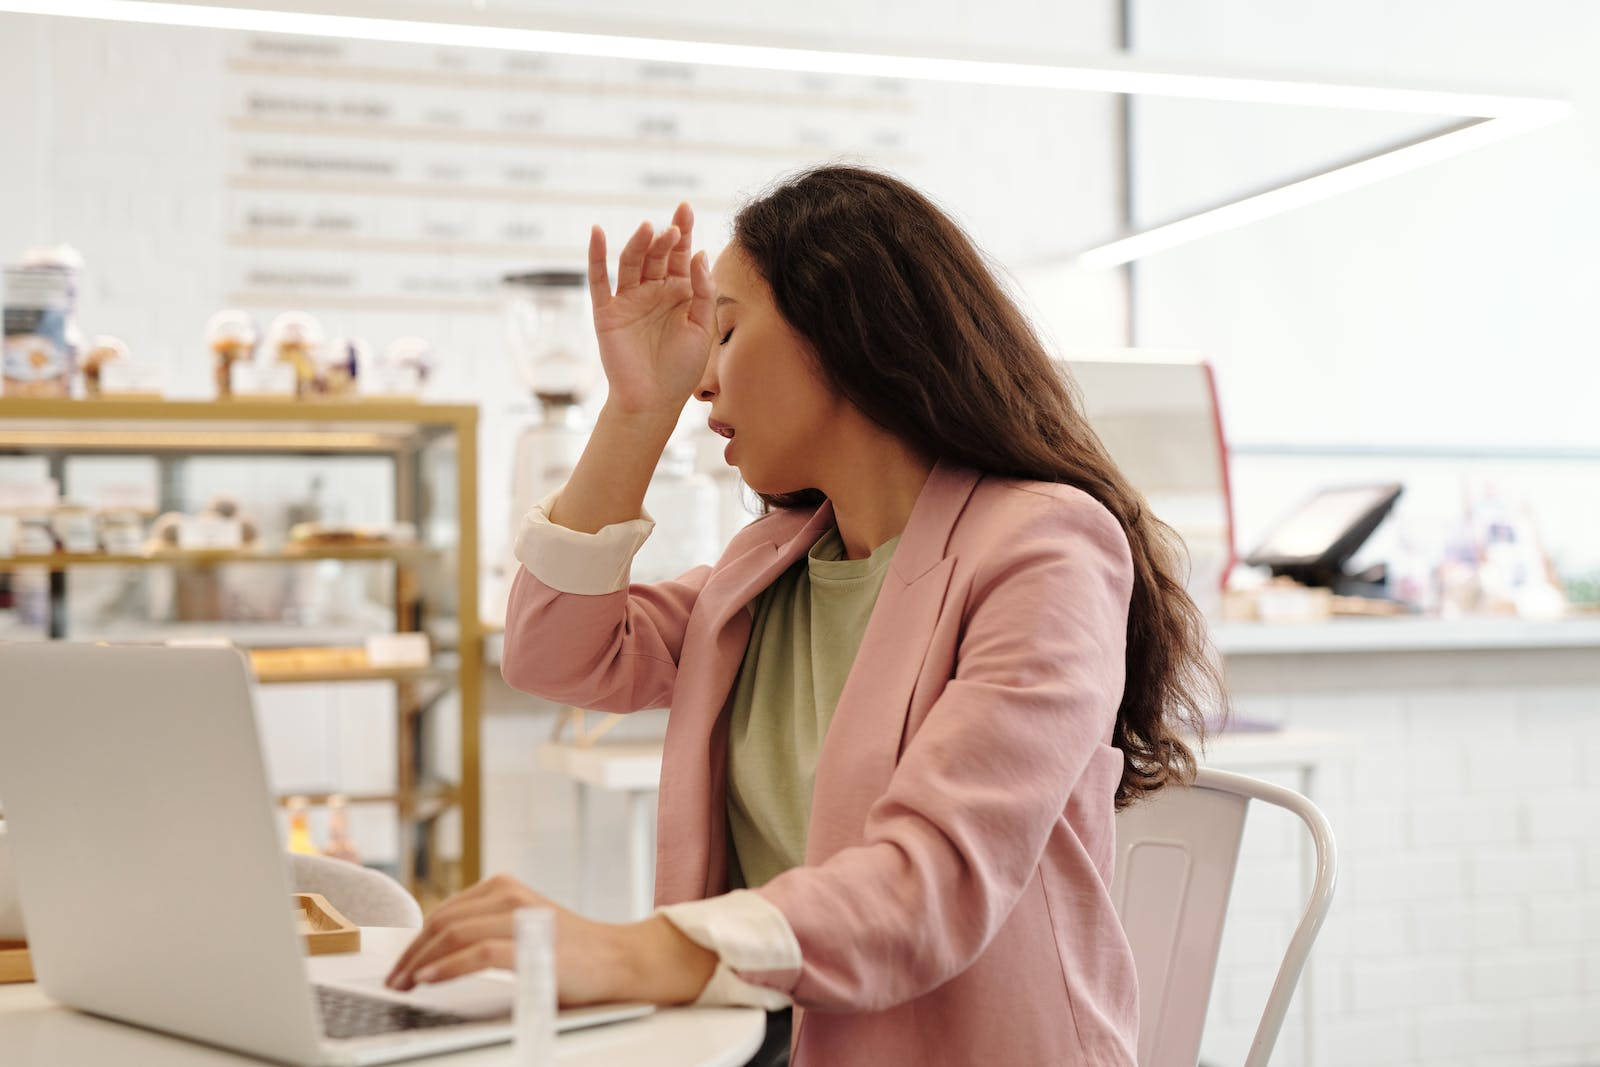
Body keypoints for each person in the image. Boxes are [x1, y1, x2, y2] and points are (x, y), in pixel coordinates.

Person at [385, 165, 1223, 1066]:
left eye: (729, 333)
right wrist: (637, 409)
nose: (703, 380)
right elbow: (552, 652)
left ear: (844, 331)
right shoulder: (773, 562)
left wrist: (633, 949)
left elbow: (929, 880)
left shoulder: (1045, 546)